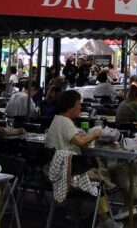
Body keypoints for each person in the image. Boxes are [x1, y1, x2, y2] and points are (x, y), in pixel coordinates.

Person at [44, 91, 121, 228]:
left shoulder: (56, 120)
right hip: (67, 175)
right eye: (79, 104)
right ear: (70, 106)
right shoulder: (66, 122)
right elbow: (79, 141)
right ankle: (104, 219)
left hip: (53, 170)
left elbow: (74, 140)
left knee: (86, 171)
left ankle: (73, 211)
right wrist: (95, 134)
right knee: (99, 179)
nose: (81, 107)